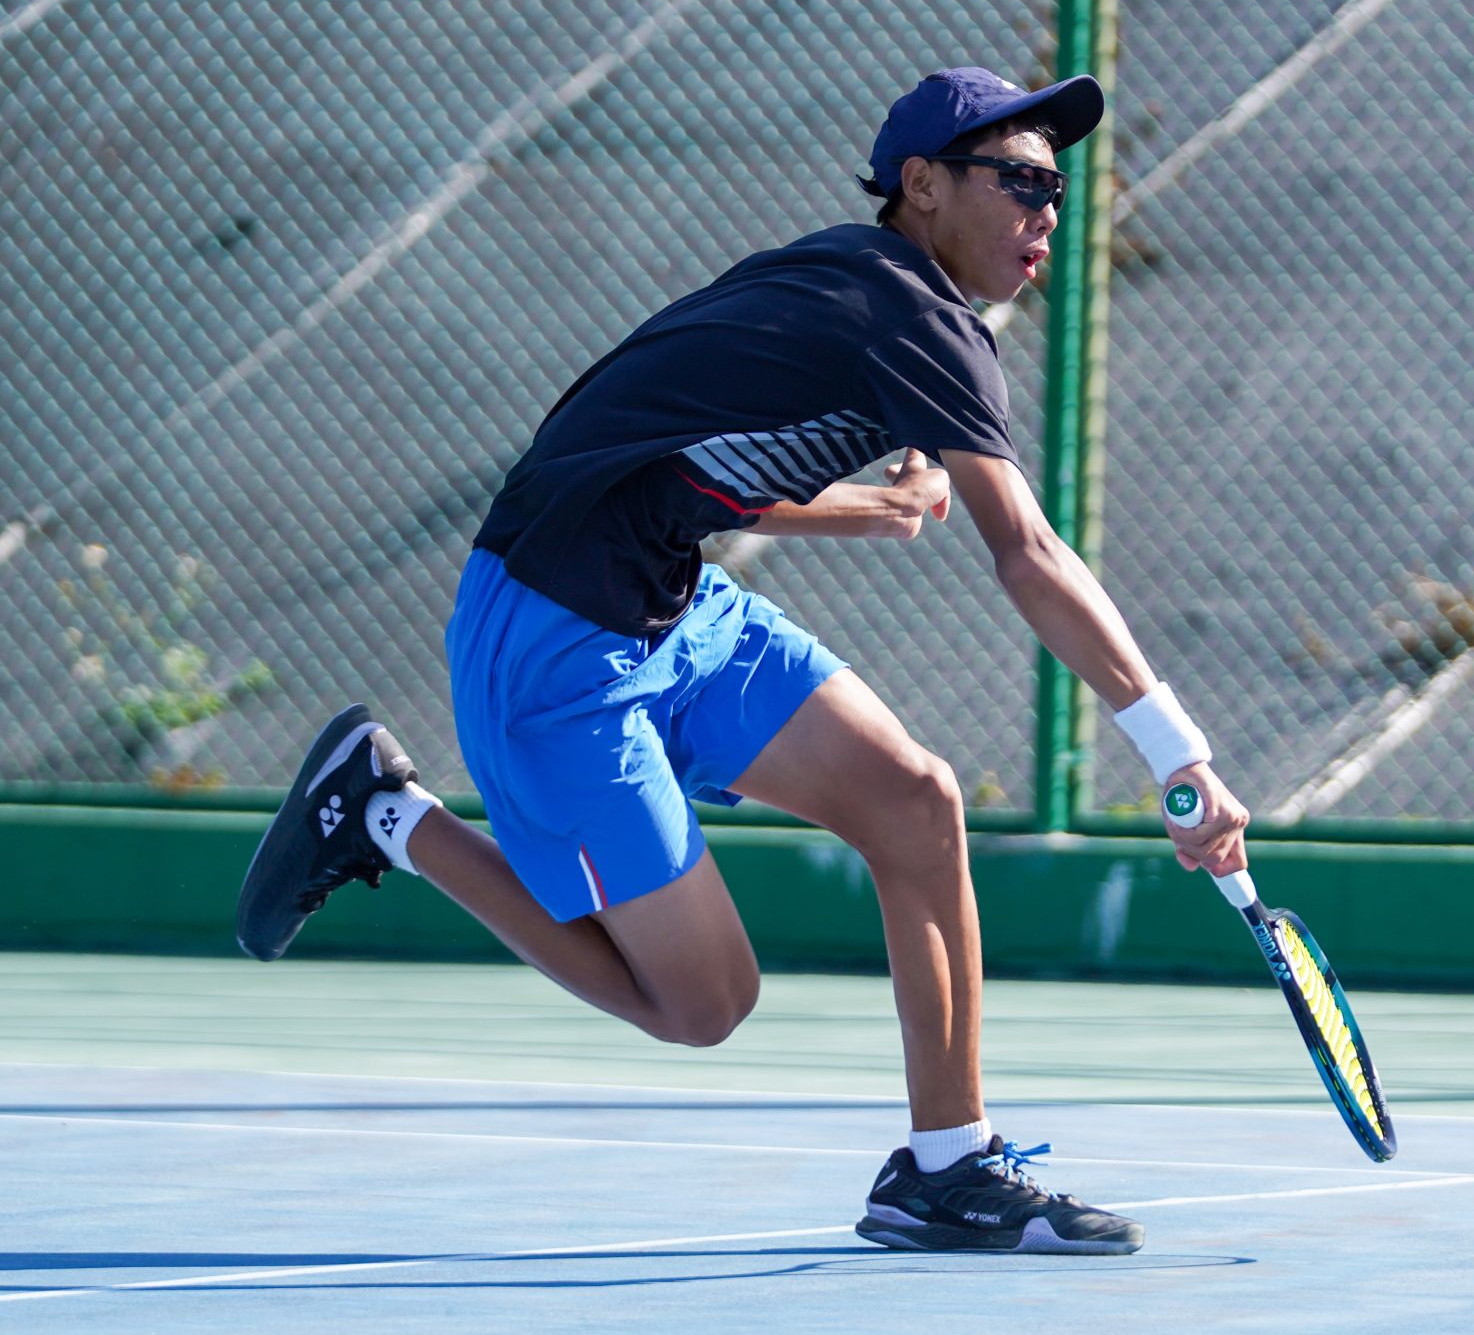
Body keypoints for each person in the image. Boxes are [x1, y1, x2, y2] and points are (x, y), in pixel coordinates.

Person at [234, 67, 1250, 1256]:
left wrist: (844, 508)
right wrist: (1177, 758)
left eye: (1059, 188)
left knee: (916, 803)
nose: (1047, 212)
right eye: (1020, 181)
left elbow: (666, 452)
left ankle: (946, 1168)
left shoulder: (853, 282)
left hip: (674, 606)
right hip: (554, 644)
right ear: (922, 187)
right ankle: (390, 814)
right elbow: (1025, 554)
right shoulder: (911, 315)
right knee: (702, 1006)